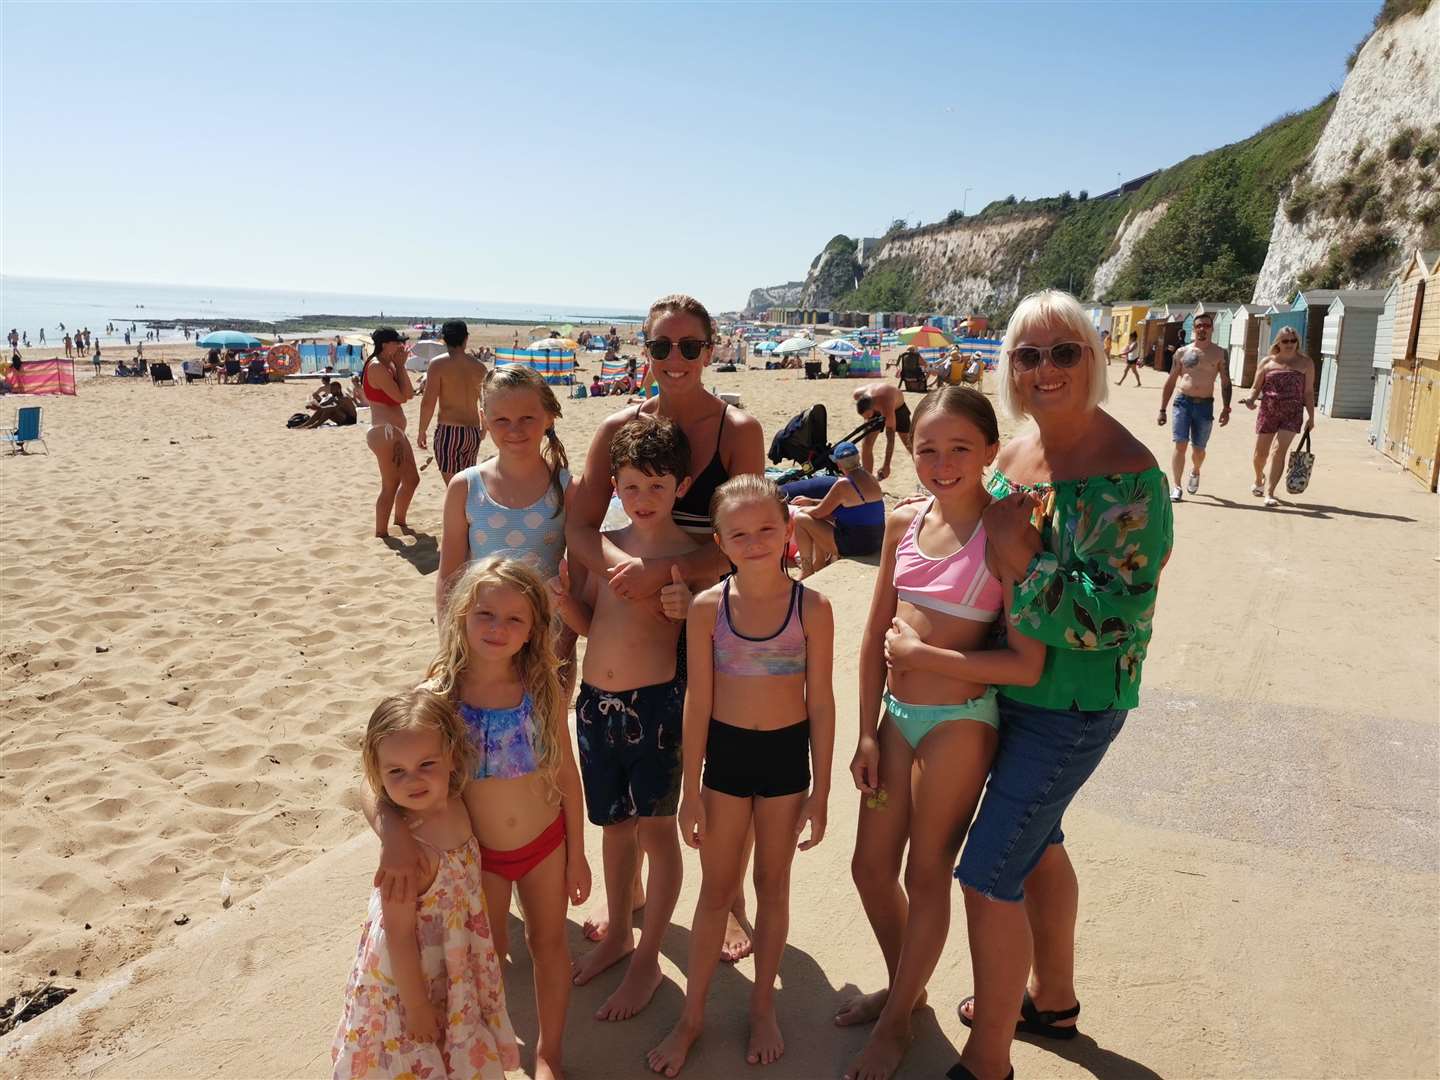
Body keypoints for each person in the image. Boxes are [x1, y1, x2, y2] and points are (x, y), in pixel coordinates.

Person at [947, 290, 1172, 1080]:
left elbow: (1117, 616)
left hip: (1072, 705)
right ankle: (1052, 997)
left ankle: (988, 1060)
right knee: (1040, 847)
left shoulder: (1130, 476)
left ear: (1095, 357)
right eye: (1028, 355)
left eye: (1064, 352)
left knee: (986, 874)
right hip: (1001, 689)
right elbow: (964, 530)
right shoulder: (1013, 455)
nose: (1046, 369)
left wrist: (1023, 565)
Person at [837, 387, 1045, 1080]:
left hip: (960, 725)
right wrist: (866, 731)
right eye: (927, 448)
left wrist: (929, 659)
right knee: (869, 869)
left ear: (992, 452)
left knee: (924, 876)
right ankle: (909, 988)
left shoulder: (1005, 532)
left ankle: (896, 1023)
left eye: (961, 448)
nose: (942, 461)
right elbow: (872, 639)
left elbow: (1023, 661)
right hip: (895, 721)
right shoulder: (902, 523)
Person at [566, 293, 766, 959]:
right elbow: (580, 526)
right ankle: (634, 899)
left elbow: (751, 534)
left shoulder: (738, 429)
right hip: (641, 606)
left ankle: (729, 900)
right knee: (646, 777)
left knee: (716, 766)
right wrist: (632, 570)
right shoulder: (619, 427)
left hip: (711, 605)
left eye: (689, 346)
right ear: (644, 350)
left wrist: (672, 575)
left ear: (712, 351)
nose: (674, 359)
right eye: (660, 346)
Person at [369, 558, 589, 1080]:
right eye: (485, 614)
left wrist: (578, 853)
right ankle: (486, 1049)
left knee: (550, 945)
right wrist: (393, 834)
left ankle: (548, 1052)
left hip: (545, 844)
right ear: (460, 615)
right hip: (475, 858)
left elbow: (565, 774)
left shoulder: (543, 687)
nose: (498, 628)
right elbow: (372, 780)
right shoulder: (439, 695)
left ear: (536, 626)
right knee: (484, 957)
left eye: (515, 619)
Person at [646, 475, 835, 1077]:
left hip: (786, 761)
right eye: (739, 533)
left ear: (787, 529)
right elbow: (697, 702)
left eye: (765, 529)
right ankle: (692, 1016)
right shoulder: (709, 608)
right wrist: (689, 792)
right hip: (725, 761)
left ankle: (761, 1005)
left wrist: (823, 790)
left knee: (773, 884)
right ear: (721, 542)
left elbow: (822, 702)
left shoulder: (813, 606)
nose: (754, 542)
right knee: (716, 892)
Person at [552, 416, 704, 1022]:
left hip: (658, 708)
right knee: (614, 828)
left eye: (657, 487)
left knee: (656, 833)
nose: (643, 500)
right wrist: (568, 605)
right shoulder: (601, 544)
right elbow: (593, 622)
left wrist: (685, 608)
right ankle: (619, 932)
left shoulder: (691, 558)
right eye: (632, 487)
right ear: (614, 486)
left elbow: (707, 633)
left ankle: (649, 957)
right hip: (594, 707)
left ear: (681, 488)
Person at [331, 688, 520, 1080]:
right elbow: (398, 935)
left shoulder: (455, 801)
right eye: (396, 771)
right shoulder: (410, 855)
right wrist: (416, 1007)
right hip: (412, 981)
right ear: (378, 773)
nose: (412, 780)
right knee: (414, 1056)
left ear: (451, 756)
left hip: (452, 963)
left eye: (426, 764)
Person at [436, 364, 571, 618]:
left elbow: (577, 581)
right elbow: (449, 577)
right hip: (485, 639)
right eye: (501, 420)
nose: (515, 430)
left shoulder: (567, 489)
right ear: (483, 419)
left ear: (549, 416)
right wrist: (449, 639)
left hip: (547, 638)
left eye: (527, 418)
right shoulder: (465, 487)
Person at [1157, 312, 1231, 501]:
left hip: (1205, 405)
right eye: (1199, 325)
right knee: (1180, 444)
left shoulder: (1220, 353)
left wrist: (1226, 407)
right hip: (1182, 402)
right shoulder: (1182, 352)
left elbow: (1225, 381)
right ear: (1194, 329)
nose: (1202, 329)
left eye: (1206, 325)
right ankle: (1177, 486)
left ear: (1212, 329)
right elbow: (1171, 380)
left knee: (1199, 449)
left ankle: (1196, 470)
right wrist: (1162, 409)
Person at [784, 441, 885, 575]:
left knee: (802, 518)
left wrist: (800, 509)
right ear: (858, 458)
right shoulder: (870, 478)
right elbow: (844, 505)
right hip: (876, 541)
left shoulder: (843, 484)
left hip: (856, 545)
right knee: (823, 519)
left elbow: (819, 513)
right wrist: (811, 501)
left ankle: (806, 570)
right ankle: (819, 563)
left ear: (838, 464)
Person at [1242, 327, 1315, 508]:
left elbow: (1308, 392)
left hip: (1292, 413)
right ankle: (1259, 478)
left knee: (1278, 451)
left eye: (1293, 340)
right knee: (1261, 454)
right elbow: (1255, 387)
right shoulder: (1267, 362)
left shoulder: (1306, 363)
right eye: (1285, 341)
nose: (1289, 344)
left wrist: (1311, 417)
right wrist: (1251, 400)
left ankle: (1269, 492)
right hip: (1268, 411)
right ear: (1278, 343)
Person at [362, 327, 419, 538]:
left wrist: (400, 366)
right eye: (397, 343)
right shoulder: (377, 366)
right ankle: (381, 533)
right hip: (383, 431)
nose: (401, 346)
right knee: (390, 485)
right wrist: (401, 366)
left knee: (412, 480)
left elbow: (409, 394)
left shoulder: (390, 365)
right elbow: (400, 397)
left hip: (393, 432)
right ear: (385, 344)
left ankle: (400, 522)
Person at [417, 319, 488, 484]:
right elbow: (485, 403)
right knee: (467, 486)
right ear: (466, 338)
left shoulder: (438, 364)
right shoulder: (479, 367)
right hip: (471, 433)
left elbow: (428, 402)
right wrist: (484, 427)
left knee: (453, 488)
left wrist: (422, 430)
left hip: (449, 432)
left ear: (443, 338)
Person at [852, 381, 913, 481]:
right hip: (875, 404)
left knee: (909, 444)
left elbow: (890, 439)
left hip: (898, 408)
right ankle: (867, 482)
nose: (866, 419)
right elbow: (867, 414)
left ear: (873, 407)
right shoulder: (857, 395)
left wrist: (886, 465)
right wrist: (868, 419)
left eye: (868, 416)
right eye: (865, 417)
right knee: (867, 443)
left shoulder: (886, 405)